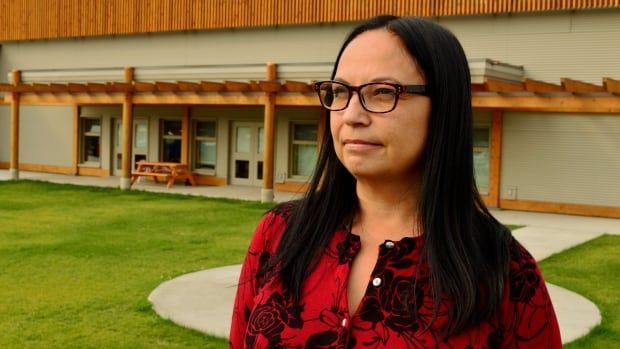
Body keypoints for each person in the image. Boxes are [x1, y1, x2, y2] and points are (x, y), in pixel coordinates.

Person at [229, 15, 562, 348]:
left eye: (382, 92)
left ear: (443, 108)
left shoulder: (505, 272)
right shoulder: (280, 233)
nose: (352, 115)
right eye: (341, 91)